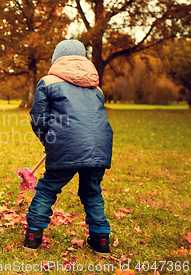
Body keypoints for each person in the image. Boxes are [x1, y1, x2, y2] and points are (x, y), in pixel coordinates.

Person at [25, 39, 113, 256]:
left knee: (47, 188)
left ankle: (33, 236)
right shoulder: (95, 86)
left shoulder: (48, 81)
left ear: (57, 58)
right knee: (92, 192)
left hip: (65, 145)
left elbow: (38, 118)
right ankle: (101, 239)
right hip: (99, 148)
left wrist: (49, 141)